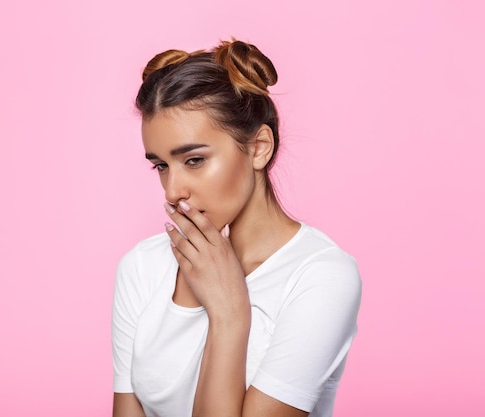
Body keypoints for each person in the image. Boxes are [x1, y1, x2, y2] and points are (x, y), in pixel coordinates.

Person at [111, 39, 362, 417]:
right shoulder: (142, 267)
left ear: (259, 147)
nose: (174, 190)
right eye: (161, 165)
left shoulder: (320, 277)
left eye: (194, 160)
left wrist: (230, 314)